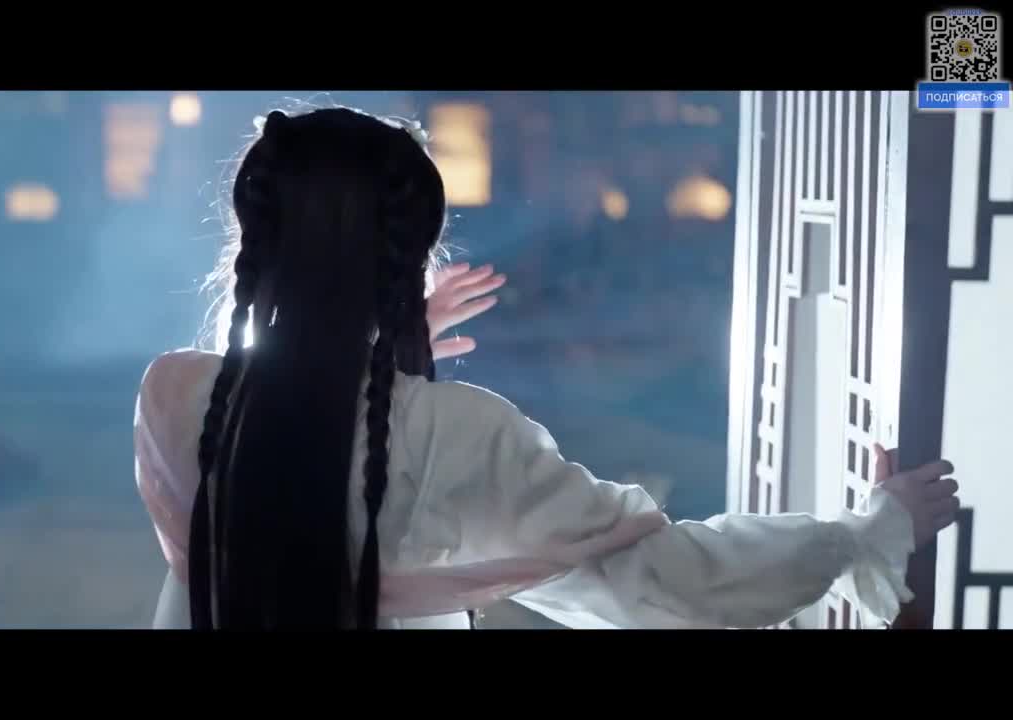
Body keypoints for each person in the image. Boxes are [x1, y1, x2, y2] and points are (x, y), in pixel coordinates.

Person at [134, 107, 959, 630]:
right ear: (405, 262)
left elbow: (302, 426)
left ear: (254, 244)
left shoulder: (176, 400)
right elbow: (667, 586)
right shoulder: (452, 440)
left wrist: (372, 349)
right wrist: (867, 531)